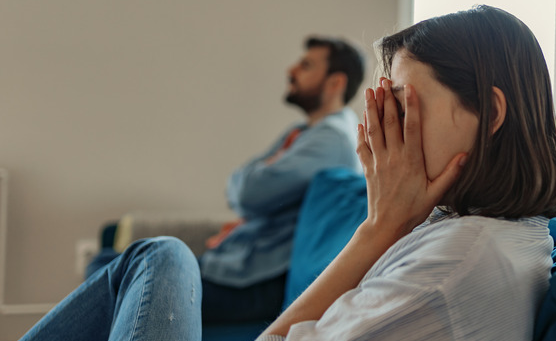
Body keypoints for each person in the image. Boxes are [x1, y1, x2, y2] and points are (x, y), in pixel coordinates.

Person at [0, 5, 556, 341]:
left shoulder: (460, 268)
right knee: (158, 257)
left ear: (490, 112)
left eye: (401, 103)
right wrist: (386, 229)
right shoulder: (479, 236)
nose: (379, 130)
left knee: (158, 259)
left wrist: (376, 231)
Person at [87, 35, 366, 323]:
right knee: (109, 262)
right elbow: (239, 186)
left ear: (335, 83)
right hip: (238, 268)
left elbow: (247, 192)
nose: (291, 71)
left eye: (306, 65)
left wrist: (254, 181)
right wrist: (252, 183)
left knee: (107, 269)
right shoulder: (303, 132)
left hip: (254, 282)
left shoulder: (332, 140)